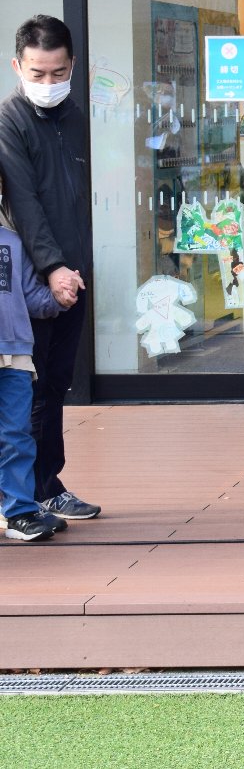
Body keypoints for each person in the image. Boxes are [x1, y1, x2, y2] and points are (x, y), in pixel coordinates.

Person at [0, 15, 97, 523]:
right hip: (32, 280)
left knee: (56, 382)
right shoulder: (9, 120)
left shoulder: (74, 116)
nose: (48, 82)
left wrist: (76, 267)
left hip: (73, 273)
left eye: (58, 72)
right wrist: (54, 268)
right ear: (17, 66)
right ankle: (31, 493)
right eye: (37, 73)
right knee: (29, 389)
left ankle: (47, 483)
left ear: (72, 65)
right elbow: (25, 203)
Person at [0, 182, 69, 541]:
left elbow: (31, 296)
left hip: (15, 352)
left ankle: (19, 512)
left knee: (16, 434)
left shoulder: (14, 239)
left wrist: (59, 296)